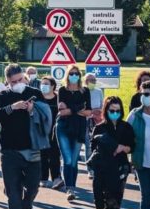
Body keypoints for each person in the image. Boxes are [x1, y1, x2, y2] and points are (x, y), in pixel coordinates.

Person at [0, 63, 45, 209]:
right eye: (14, 82)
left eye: (20, 79)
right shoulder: (3, 95)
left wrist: (31, 110)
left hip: (32, 149)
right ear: (7, 82)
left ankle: (27, 207)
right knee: (13, 190)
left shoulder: (35, 94)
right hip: (9, 150)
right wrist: (12, 108)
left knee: (33, 186)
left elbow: (47, 117)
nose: (18, 83)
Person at [89, 96, 134, 209]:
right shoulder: (99, 128)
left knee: (117, 200)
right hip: (104, 168)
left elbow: (132, 146)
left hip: (121, 168)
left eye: (118, 110)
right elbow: (93, 149)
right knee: (109, 200)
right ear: (106, 110)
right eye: (112, 110)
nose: (115, 112)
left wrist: (123, 148)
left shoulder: (126, 127)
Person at [56, 65, 92, 201]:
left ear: (80, 75)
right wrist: (78, 108)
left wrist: (71, 109)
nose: (74, 75)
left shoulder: (85, 91)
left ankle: (73, 187)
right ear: (67, 75)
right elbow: (62, 111)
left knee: (74, 160)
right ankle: (69, 188)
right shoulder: (62, 90)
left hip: (79, 128)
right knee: (68, 159)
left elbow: (89, 112)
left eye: (76, 73)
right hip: (63, 127)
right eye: (72, 73)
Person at [127, 80, 150, 209]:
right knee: (146, 197)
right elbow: (125, 135)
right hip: (142, 162)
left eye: (146, 94)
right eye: (141, 93)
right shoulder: (135, 115)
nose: (143, 97)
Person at [39, 76, 62, 190]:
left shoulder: (58, 99)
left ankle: (56, 178)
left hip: (55, 131)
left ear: (53, 86)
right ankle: (43, 178)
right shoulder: (38, 99)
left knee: (54, 156)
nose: (43, 86)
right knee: (42, 155)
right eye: (42, 83)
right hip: (41, 132)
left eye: (46, 84)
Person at [85, 73, 104, 179]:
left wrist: (98, 112)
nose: (91, 82)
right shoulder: (83, 91)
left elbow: (102, 105)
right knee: (88, 145)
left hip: (97, 121)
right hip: (85, 121)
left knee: (98, 145)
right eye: (89, 80)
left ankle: (98, 168)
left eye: (93, 80)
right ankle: (90, 169)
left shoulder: (98, 91)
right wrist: (91, 111)